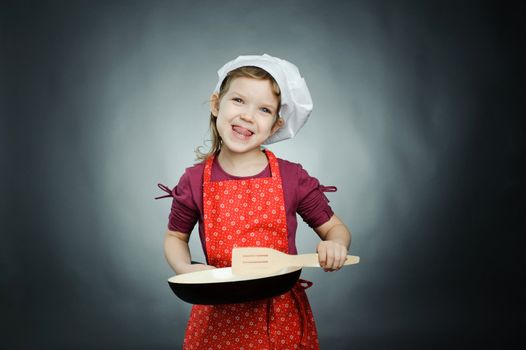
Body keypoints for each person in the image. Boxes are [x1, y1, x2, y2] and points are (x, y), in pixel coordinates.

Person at [157, 54, 352, 349]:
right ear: (216, 104)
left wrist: (335, 244)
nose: (248, 115)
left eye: (263, 109)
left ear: (275, 125)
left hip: (279, 317)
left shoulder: (292, 177)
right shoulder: (194, 180)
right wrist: (184, 268)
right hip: (216, 315)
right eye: (238, 100)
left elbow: (336, 229)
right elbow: (174, 237)